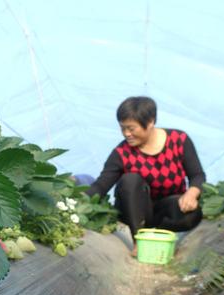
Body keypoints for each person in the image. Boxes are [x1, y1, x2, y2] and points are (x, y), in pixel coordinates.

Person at [85, 96, 205, 256]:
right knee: (130, 180)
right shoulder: (122, 153)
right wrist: (76, 203)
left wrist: (192, 193)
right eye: (122, 128)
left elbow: (197, 175)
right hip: (134, 212)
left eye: (131, 128)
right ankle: (139, 240)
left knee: (193, 214)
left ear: (150, 123)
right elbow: (101, 186)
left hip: (164, 211)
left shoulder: (179, 141)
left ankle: (159, 234)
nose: (126, 134)